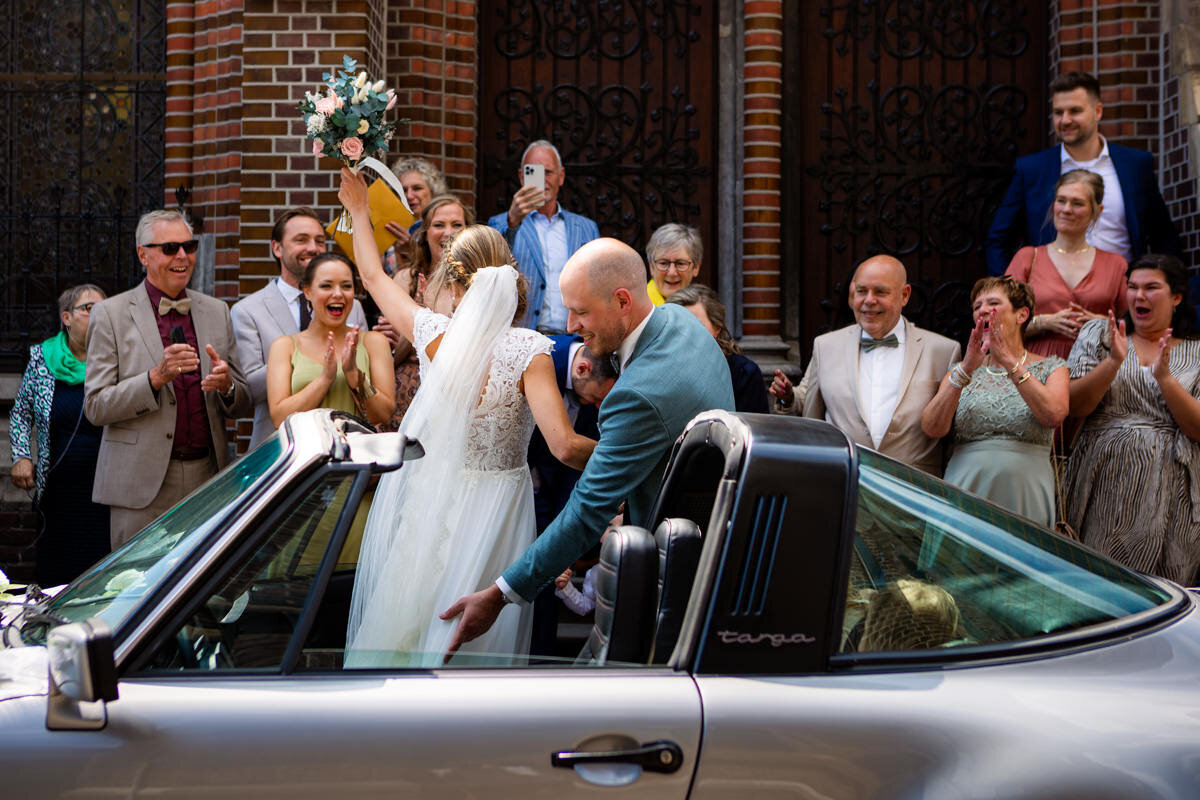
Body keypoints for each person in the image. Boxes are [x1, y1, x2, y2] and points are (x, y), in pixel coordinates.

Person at [337, 168, 599, 666]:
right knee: (479, 649)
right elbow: (564, 446)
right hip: (499, 509)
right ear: (512, 277)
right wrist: (630, 457)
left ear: (456, 286)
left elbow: (371, 276)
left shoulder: (434, 333)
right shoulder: (530, 349)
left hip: (432, 503)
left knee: (410, 625)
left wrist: (358, 209)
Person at [440, 237, 736, 661]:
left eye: (580, 312)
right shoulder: (677, 321)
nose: (572, 327)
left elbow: (584, 513)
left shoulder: (639, 395)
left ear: (621, 301)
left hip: (678, 580)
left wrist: (498, 595)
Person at [85, 209, 251, 548]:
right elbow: (96, 406)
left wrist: (227, 386)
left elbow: (243, 399)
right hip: (140, 487)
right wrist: (155, 378)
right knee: (138, 589)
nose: (182, 256)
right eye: (170, 248)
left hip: (209, 478)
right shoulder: (110, 314)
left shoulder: (217, 310)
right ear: (143, 254)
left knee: (202, 588)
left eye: (189, 247)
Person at [1064, 254, 1200, 584]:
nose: (1139, 296)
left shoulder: (1197, 352)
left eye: (1152, 288)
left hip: (1174, 490)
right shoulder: (1100, 333)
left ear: (1177, 297)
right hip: (1105, 479)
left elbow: (1197, 428)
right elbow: (1075, 405)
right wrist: (1112, 361)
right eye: (1133, 287)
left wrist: (1165, 379)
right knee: (1098, 582)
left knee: (1164, 592)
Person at [771, 256, 961, 475]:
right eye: (862, 291)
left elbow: (952, 437)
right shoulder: (826, 346)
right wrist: (788, 397)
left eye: (880, 292)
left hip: (916, 489)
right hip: (843, 481)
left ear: (905, 295)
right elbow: (809, 402)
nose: (869, 300)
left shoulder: (943, 351)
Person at [985, 71, 1181, 276]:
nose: (1065, 120)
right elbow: (999, 240)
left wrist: (1170, 287)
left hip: (1123, 295)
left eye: (1075, 111)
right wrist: (1009, 293)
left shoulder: (1135, 165)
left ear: (1098, 111)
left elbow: (1163, 236)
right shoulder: (1033, 169)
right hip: (1052, 299)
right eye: (1059, 112)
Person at [921, 277, 1069, 527]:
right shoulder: (960, 370)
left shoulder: (1053, 367)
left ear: (1021, 315)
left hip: (1027, 493)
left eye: (993, 302)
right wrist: (966, 369)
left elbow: (1053, 414)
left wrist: (1011, 362)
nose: (982, 310)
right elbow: (933, 427)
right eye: (977, 306)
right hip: (967, 488)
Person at [232, 207, 368, 449]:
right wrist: (303, 361)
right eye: (301, 240)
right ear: (277, 248)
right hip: (279, 446)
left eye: (319, 240)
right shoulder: (248, 310)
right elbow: (249, 387)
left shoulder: (352, 306)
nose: (313, 248)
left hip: (347, 445)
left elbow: (362, 370)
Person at [9, 284, 110, 586]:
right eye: (89, 309)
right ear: (66, 317)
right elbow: (21, 413)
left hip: (106, 491)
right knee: (57, 577)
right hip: (57, 491)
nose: (99, 315)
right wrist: (22, 455)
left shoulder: (114, 359)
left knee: (101, 575)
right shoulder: (43, 359)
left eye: (104, 309)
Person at [1003, 170, 1128, 359]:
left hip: (1096, 369)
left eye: (1077, 203)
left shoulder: (1115, 264)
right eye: (1061, 200)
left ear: (1097, 210)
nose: (1066, 209)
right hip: (1035, 369)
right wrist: (1043, 323)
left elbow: (1135, 326)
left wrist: (1102, 323)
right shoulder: (1027, 258)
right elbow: (999, 322)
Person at [265, 253, 395, 429]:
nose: (338, 294)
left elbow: (384, 415)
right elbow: (279, 418)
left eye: (346, 286)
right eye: (326, 286)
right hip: (307, 453)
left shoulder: (374, 342)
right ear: (307, 291)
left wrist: (355, 375)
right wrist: (325, 379)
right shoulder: (284, 346)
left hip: (358, 453)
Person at [487, 139, 600, 332]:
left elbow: (599, 283)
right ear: (522, 177)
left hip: (575, 337)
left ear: (561, 176)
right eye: (534, 172)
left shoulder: (586, 228)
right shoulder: (501, 224)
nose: (543, 180)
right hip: (522, 337)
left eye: (548, 172)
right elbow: (490, 272)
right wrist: (512, 222)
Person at [666, 284, 769, 413]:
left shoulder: (744, 374)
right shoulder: (661, 369)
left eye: (696, 325)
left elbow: (750, 428)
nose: (686, 334)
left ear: (717, 328)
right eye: (679, 326)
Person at [380, 156, 447, 275]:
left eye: (417, 188)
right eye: (403, 190)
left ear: (433, 192)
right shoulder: (387, 228)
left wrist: (410, 253)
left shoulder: (442, 231)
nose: (409, 196)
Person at [645, 223, 702, 305]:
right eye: (663, 263)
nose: (672, 273)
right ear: (651, 267)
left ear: (696, 268)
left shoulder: (702, 309)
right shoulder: (638, 309)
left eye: (680, 263)